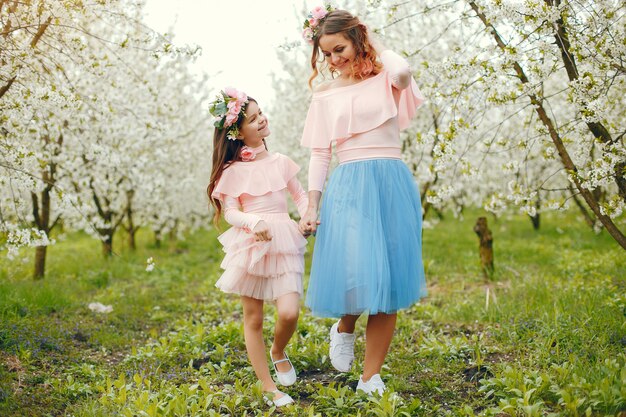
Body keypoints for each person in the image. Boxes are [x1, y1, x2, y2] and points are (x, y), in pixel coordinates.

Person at [299, 7, 428, 395]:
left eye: (340, 49)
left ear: (358, 40)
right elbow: (320, 153)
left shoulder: (387, 76)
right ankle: (344, 326)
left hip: (391, 179)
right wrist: (311, 205)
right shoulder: (324, 96)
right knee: (359, 268)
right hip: (350, 183)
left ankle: (370, 376)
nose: (334, 60)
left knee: (389, 280)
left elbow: (404, 73)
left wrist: (375, 45)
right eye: (327, 54)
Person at [207, 87, 309, 407]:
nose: (262, 120)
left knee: (289, 312)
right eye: (253, 119)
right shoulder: (232, 172)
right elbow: (232, 211)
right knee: (253, 318)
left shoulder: (281, 162)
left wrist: (307, 217)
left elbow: (301, 197)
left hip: (283, 238)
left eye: (261, 113)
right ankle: (268, 386)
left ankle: (278, 350)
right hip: (251, 244)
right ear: (239, 132)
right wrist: (253, 222)